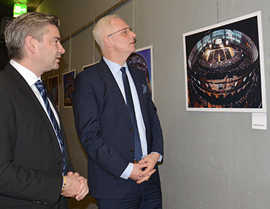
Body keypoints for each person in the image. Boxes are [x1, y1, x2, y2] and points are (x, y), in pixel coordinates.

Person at [72, 14, 164, 209]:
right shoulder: (88, 80)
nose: (133, 35)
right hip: (114, 185)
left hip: (150, 180)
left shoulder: (139, 75)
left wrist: (156, 153)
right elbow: (89, 136)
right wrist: (127, 169)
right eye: (125, 32)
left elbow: (152, 118)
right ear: (108, 39)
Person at [0, 12, 89, 209]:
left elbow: (53, 146)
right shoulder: (4, 89)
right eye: (56, 41)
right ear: (32, 44)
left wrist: (71, 177)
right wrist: (61, 184)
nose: (63, 49)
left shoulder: (38, 89)